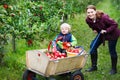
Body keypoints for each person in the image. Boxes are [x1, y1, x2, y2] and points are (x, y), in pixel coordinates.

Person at [85, 5, 120, 74]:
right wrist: (94, 29)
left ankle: (114, 69)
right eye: (88, 12)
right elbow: (91, 25)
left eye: (92, 12)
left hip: (112, 34)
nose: (90, 14)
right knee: (93, 46)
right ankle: (94, 67)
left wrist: (106, 30)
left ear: (95, 11)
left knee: (112, 50)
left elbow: (115, 24)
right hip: (101, 34)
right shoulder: (88, 20)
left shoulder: (103, 17)